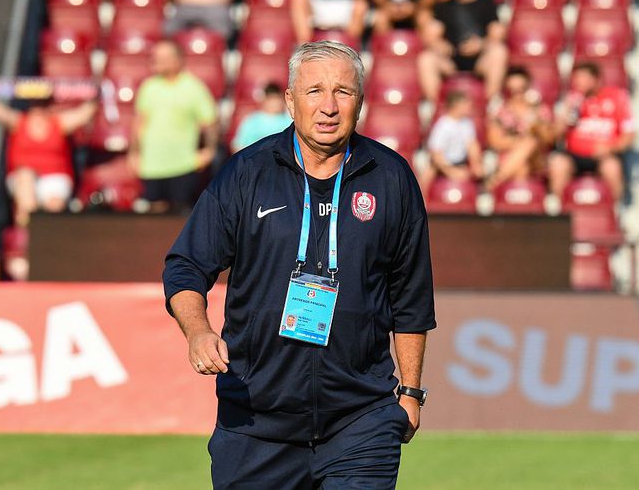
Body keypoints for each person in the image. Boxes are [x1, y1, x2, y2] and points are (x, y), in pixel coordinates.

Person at [163, 41, 435, 488]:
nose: (328, 106)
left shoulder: (391, 178)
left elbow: (411, 297)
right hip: (255, 422)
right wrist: (197, 331)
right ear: (290, 100)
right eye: (314, 92)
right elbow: (185, 265)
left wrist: (409, 392)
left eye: (343, 92)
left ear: (361, 102)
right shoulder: (246, 173)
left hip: (360, 420)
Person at [131, 40, 220, 213]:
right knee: (153, 216)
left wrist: (210, 150)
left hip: (183, 165)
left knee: (180, 217)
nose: (157, 61)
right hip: (152, 166)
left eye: (163, 58)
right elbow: (138, 122)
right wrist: (134, 153)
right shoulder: (148, 87)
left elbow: (210, 122)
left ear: (178, 60)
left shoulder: (194, 87)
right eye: (155, 57)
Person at [0, 98, 97, 227]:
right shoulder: (19, 122)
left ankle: (52, 234)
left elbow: (84, 113)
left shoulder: (58, 122)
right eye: (35, 105)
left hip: (55, 180)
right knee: (25, 177)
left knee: (54, 203)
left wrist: (96, 94)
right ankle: (29, 230)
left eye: (43, 105)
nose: (38, 110)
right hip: (24, 182)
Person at [417, 0, 508, 101]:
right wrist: (438, 43)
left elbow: (497, 32)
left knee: (499, 52)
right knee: (426, 59)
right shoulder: (444, 6)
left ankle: (490, 104)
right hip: (452, 60)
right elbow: (431, 33)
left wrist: (481, 44)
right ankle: (436, 107)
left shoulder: (485, 2)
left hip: (479, 60)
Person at [548, 62, 635, 201]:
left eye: (584, 79)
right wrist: (565, 115)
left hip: (603, 155)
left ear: (596, 79)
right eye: (577, 79)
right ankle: (560, 210)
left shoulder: (617, 97)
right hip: (574, 154)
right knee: (558, 164)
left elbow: (629, 134)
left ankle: (614, 211)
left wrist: (611, 148)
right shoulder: (572, 100)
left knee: (612, 168)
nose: (579, 83)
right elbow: (554, 136)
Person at [487, 67, 556, 189]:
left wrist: (537, 125)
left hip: (538, 158)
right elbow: (495, 141)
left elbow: (549, 139)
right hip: (512, 158)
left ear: (528, 88)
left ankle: (494, 182)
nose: (517, 94)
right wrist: (522, 143)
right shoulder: (501, 112)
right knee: (522, 168)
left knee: (531, 143)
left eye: (521, 89)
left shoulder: (540, 110)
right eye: (512, 90)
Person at [421, 89, 485, 194]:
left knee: (480, 171)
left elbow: (472, 145)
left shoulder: (467, 123)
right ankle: (421, 201)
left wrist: (476, 163)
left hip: (461, 162)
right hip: (442, 165)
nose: (470, 107)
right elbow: (436, 154)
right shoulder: (443, 125)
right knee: (428, 173)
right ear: (456, 105)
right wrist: (450, 171)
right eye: (466, 104)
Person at [231, 82, 290, 152]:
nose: (276, 103)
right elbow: (238, 145)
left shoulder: (288, 120)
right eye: (272, 99)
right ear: (265, 100)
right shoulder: (251, 121)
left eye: (278, 99)